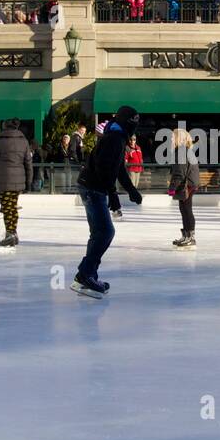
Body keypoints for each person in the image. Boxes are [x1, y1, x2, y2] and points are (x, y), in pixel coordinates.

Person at [72, 105, 142, 297]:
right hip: (93, 188)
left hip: (91, 186)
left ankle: (88, 275)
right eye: (132, 123)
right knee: (105, 232)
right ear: (126, 123)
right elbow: (104, 169)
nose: (134, 128)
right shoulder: (114, 139)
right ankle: (85, 274)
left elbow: (118, 168)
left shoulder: (116, 136)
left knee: (98, 233)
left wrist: (131, 190)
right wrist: (113, 195)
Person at [0, 118, 33, 248]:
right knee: (12, 206)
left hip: (4, 180)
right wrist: (28, 182)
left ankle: (10, 234)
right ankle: (13, 233)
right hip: (18, 181)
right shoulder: (24, 141)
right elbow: (28, 163)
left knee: (8, 208)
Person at [169, 126, 199, 248]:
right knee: (184, 209)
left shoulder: (181, 150)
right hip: (188, 183)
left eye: (172, 137)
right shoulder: (183, 150)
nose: (171, 140)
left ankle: (190, 237)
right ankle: (186, 235)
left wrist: (173, 187)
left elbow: (179, 172)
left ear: (178, 138)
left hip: (187, 184)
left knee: (186, 209)